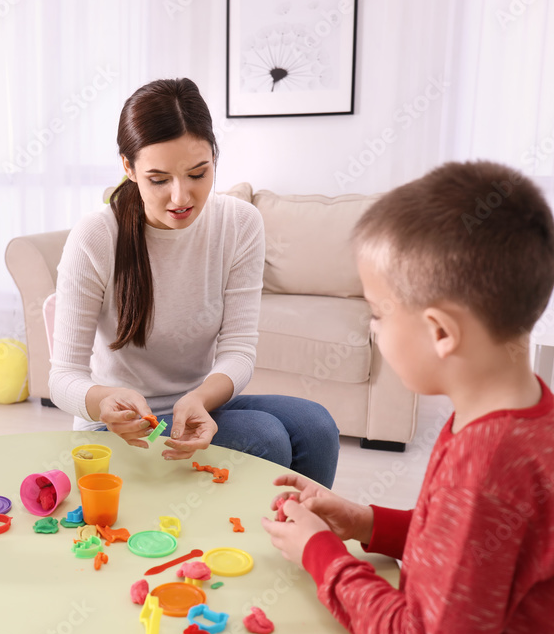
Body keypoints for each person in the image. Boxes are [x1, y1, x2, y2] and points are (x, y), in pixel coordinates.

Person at [262, 161, 554, 634]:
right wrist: (365, 522)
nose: (373, 328)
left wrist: (321, 554)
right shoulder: (538, 416)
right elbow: (469, 551)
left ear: (440, 331)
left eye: (377, 313)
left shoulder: (487, 463)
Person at [48, 78, 340, 487]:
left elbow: (238, 349)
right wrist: (102, 401)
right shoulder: (96, 236)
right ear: (129, 168)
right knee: (264, 438)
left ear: (214, 158)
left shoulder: (239, 223)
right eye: (159, 179)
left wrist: (201, 398)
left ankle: (303, 527)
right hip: (123, 427)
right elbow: (62, 377)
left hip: (197, 405)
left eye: (197, 174)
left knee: (316, 426)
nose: (181, 197)